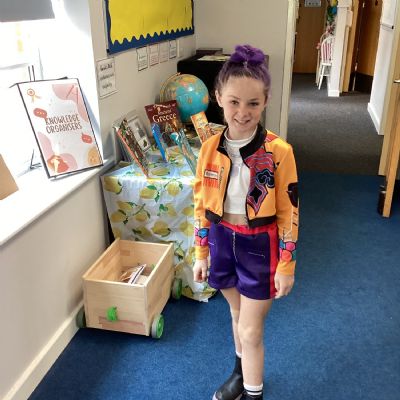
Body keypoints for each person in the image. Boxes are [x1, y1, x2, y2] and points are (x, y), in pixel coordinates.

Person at [193, 44, 299, 400]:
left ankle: (254, 394)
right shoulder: (209, 148)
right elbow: (201, 203)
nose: (242, 112)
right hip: (222, 239)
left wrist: (286, 263)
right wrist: (201, 252)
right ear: (218, 98)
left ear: (265, 101)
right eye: (234, 101)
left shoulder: (279, 151)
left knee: (252, 331)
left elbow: (289, 210)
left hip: (260, 245)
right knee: (237, 316)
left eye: (253, 103)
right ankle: (240, 374)